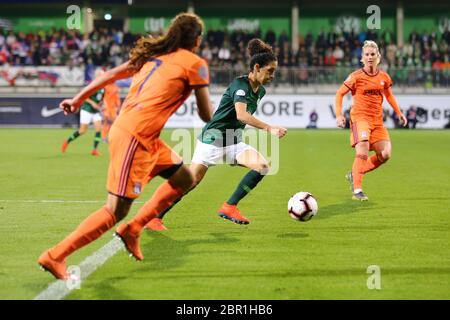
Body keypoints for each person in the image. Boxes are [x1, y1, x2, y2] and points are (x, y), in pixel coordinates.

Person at [38, 13, 213, 280]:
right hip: (135, 136)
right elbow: (205, 114)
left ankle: (134, 229)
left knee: (184, 178)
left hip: (145, 136)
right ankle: (55, 255)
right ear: (197, 39)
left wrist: (76, 99)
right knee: (116, 210)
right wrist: (227, 116)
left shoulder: (152, 56)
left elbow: (109, 74)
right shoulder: (195, 64)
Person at [147, 38, 287, 231]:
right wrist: (269, 128)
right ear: (256, 67)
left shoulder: (260, 91)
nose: (273, 76)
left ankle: (229, 207)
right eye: (270, 71)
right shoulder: (240, 85)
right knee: (190, 183)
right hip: (213, 141)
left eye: (274, 72)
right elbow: (241, 115)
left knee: (262, 166)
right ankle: (155, 216)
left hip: (233, 141)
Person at [335, 40, 407, 201]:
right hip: (360, 119)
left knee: (385, 154)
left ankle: (354, 174)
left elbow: (388, 95)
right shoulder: (356, 77)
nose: (369, 57)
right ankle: (357, 190)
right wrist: (339, 115)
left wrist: (399, 113)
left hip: (377, 122)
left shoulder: (384, 77)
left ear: (378, 57)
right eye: (366, 54)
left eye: (372, 54)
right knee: (363, 150)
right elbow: (339, 94)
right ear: (362, 58)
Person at [61, 69, 105, 156]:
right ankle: (67, 141)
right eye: (102, 75)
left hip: (95, 111)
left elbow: (101, 99)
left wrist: (102, 105)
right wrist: (93, 103)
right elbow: (84, 96)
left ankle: (94, 150)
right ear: (97, 76)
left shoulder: (103, 88)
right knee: (82, 131)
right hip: (87, 110)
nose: (103, 76)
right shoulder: (92, 85)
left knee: (99, 129)